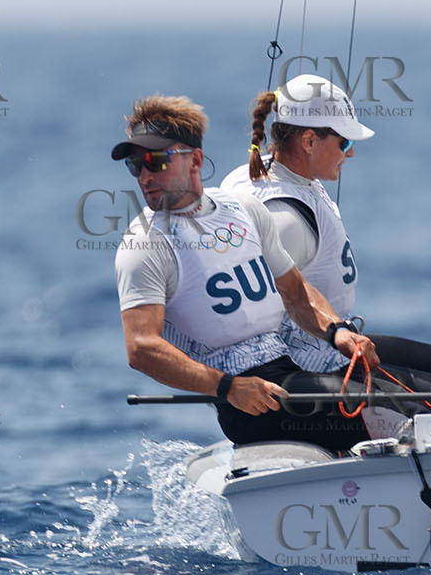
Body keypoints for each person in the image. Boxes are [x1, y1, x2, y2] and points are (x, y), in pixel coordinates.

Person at [111, 94, 383, 454]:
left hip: (286, 366)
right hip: (246, 400)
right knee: (391, 410)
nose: (145, 176)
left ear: (195, 160)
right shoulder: (144, 244)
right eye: (136, 165)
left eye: (156, 160)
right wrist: (228, 387)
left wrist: (336, 332)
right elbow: (141, 348)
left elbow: (296, 292)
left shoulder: (241, 208)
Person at [222, 73, 431, 383]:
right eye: (345, 142)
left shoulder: (268, 173)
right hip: (316, 367)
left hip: (335, 347)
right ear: (309, 141)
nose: (351, 152)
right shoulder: (284, 218)